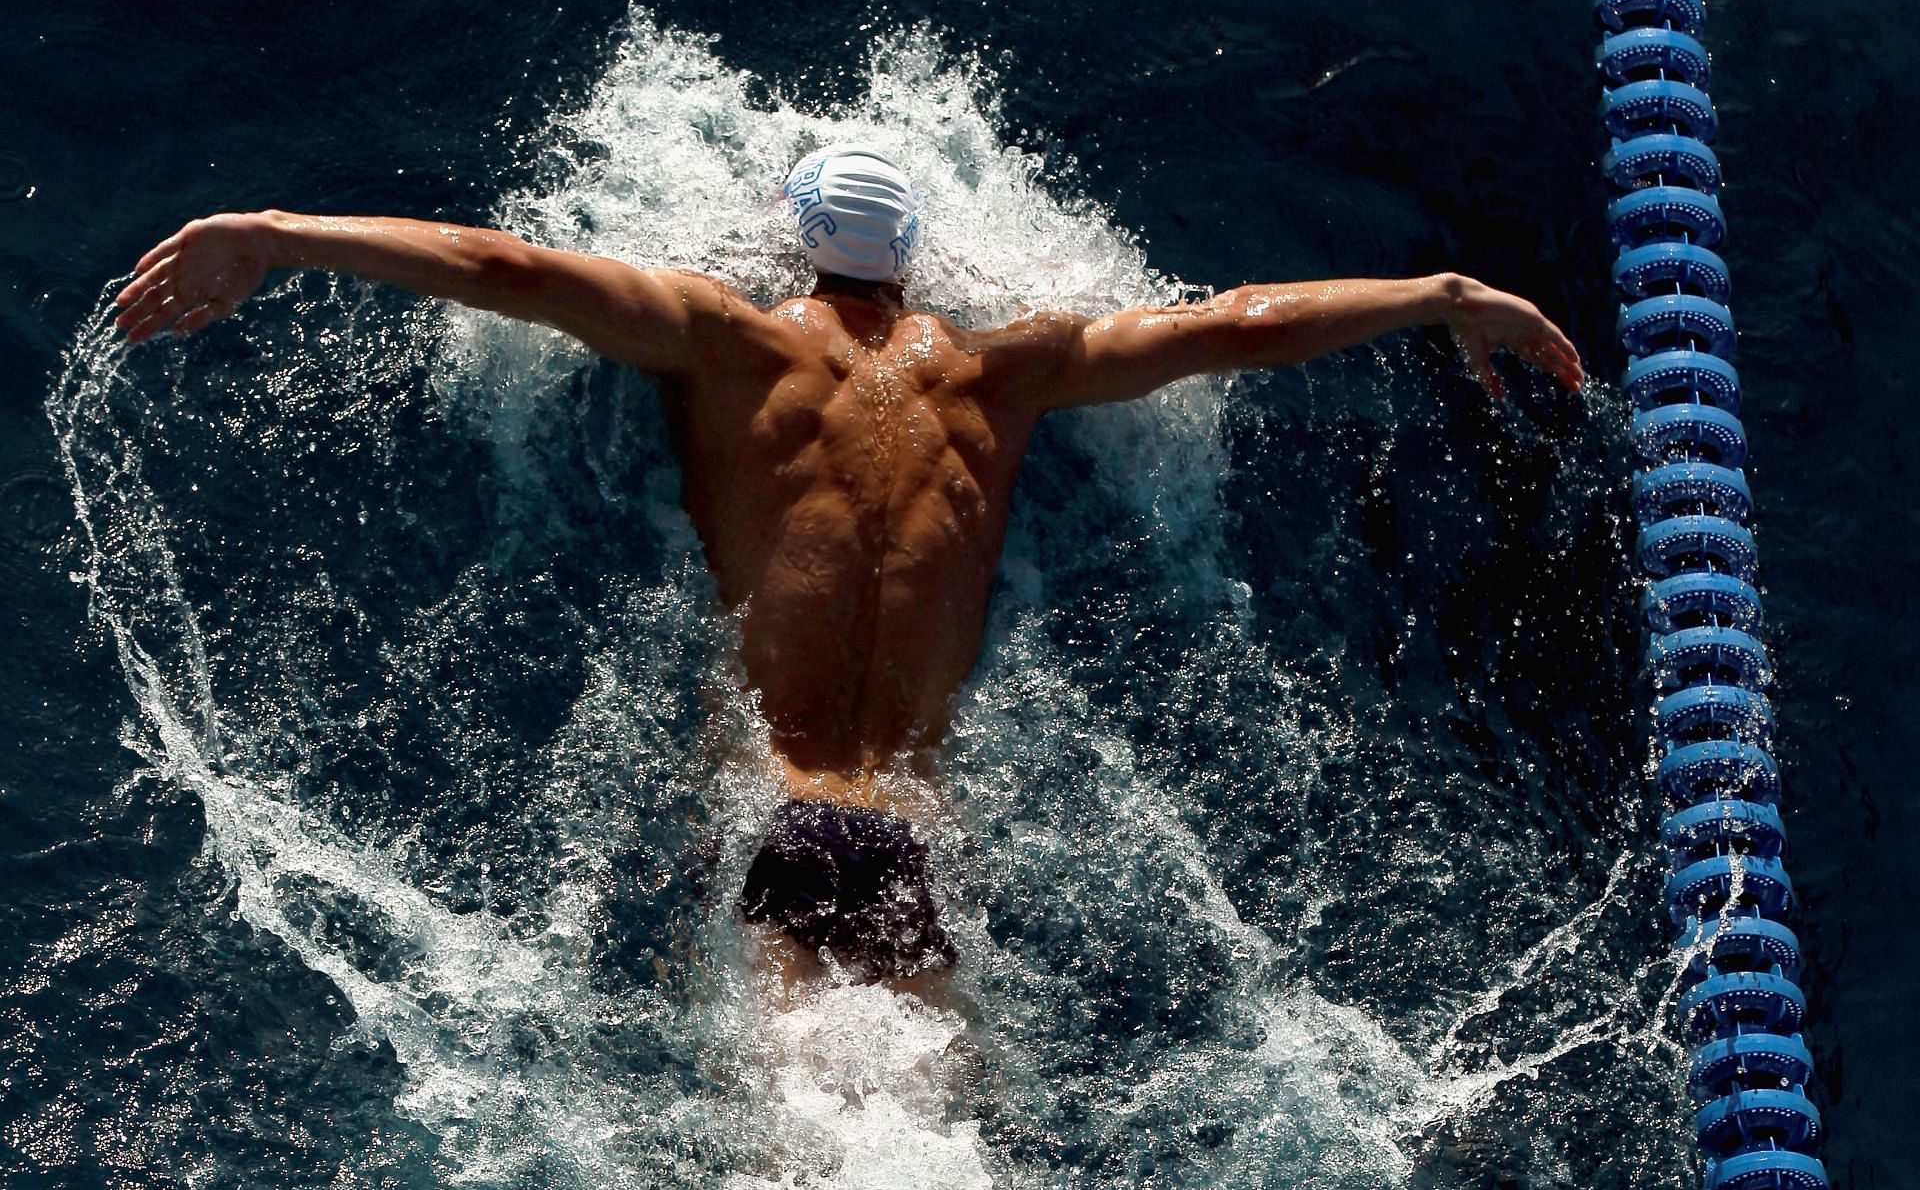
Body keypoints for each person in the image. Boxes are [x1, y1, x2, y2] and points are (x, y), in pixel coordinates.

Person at [113, 145, 1581, 994]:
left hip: (780, 815)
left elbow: (501, 267)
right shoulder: (1012, 375)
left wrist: (279, 233)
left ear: (798, 244)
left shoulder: (728, 339)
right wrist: (1445, 295)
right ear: (912, 260)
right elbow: (1242, 323)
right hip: (915, 843)